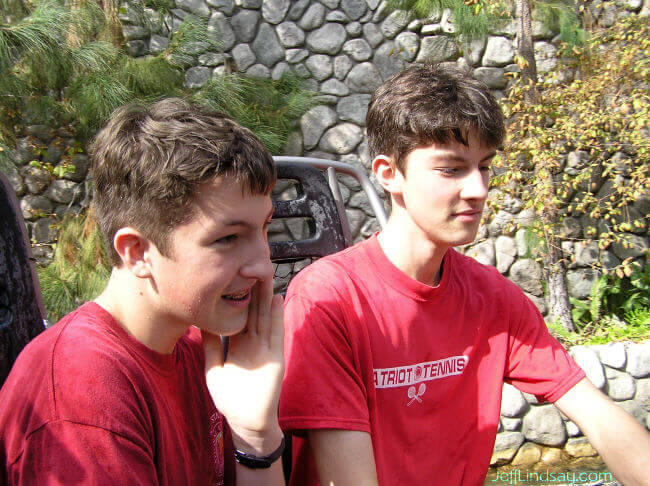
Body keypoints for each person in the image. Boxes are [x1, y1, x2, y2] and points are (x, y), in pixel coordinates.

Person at [279, 64, 650, 486]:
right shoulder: (329, 298)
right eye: (452, 169)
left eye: (485, 166)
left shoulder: (493, 297)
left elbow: (597, 415)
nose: (478, 189)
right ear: (388, 174)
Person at [0, 99, 286, 485]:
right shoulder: (82, 395)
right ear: (137, 252)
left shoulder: (192, 351)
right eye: (228, 238)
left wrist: (255, 436)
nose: (264, 266)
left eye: (264, 227)